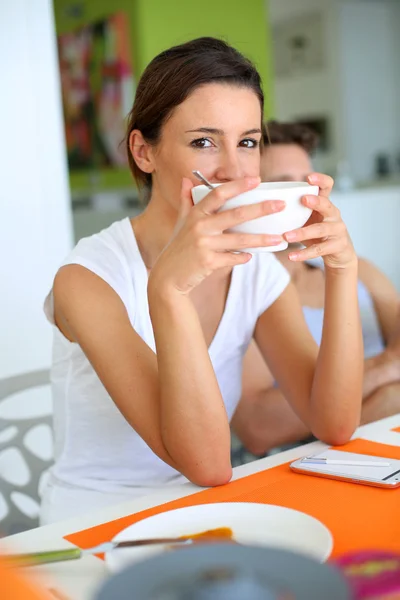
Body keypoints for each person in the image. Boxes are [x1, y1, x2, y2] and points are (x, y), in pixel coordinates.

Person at [41, 38, 362, 524]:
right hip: (91, 527)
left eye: (248, 142)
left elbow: (335, 423)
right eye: (203, 142)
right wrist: (169, 291)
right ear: (144, 152)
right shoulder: (87, 280)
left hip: (201, 517)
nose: (234, 170)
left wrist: (343, 270)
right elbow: (208, 464)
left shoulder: (256, 271)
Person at [232, 121, 400, 456]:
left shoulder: (359, 271)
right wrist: (387, 371)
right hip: (311, 456)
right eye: (283, 184)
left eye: (306, 182)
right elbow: (259, 427)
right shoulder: (242, 291)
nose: (304, 197)